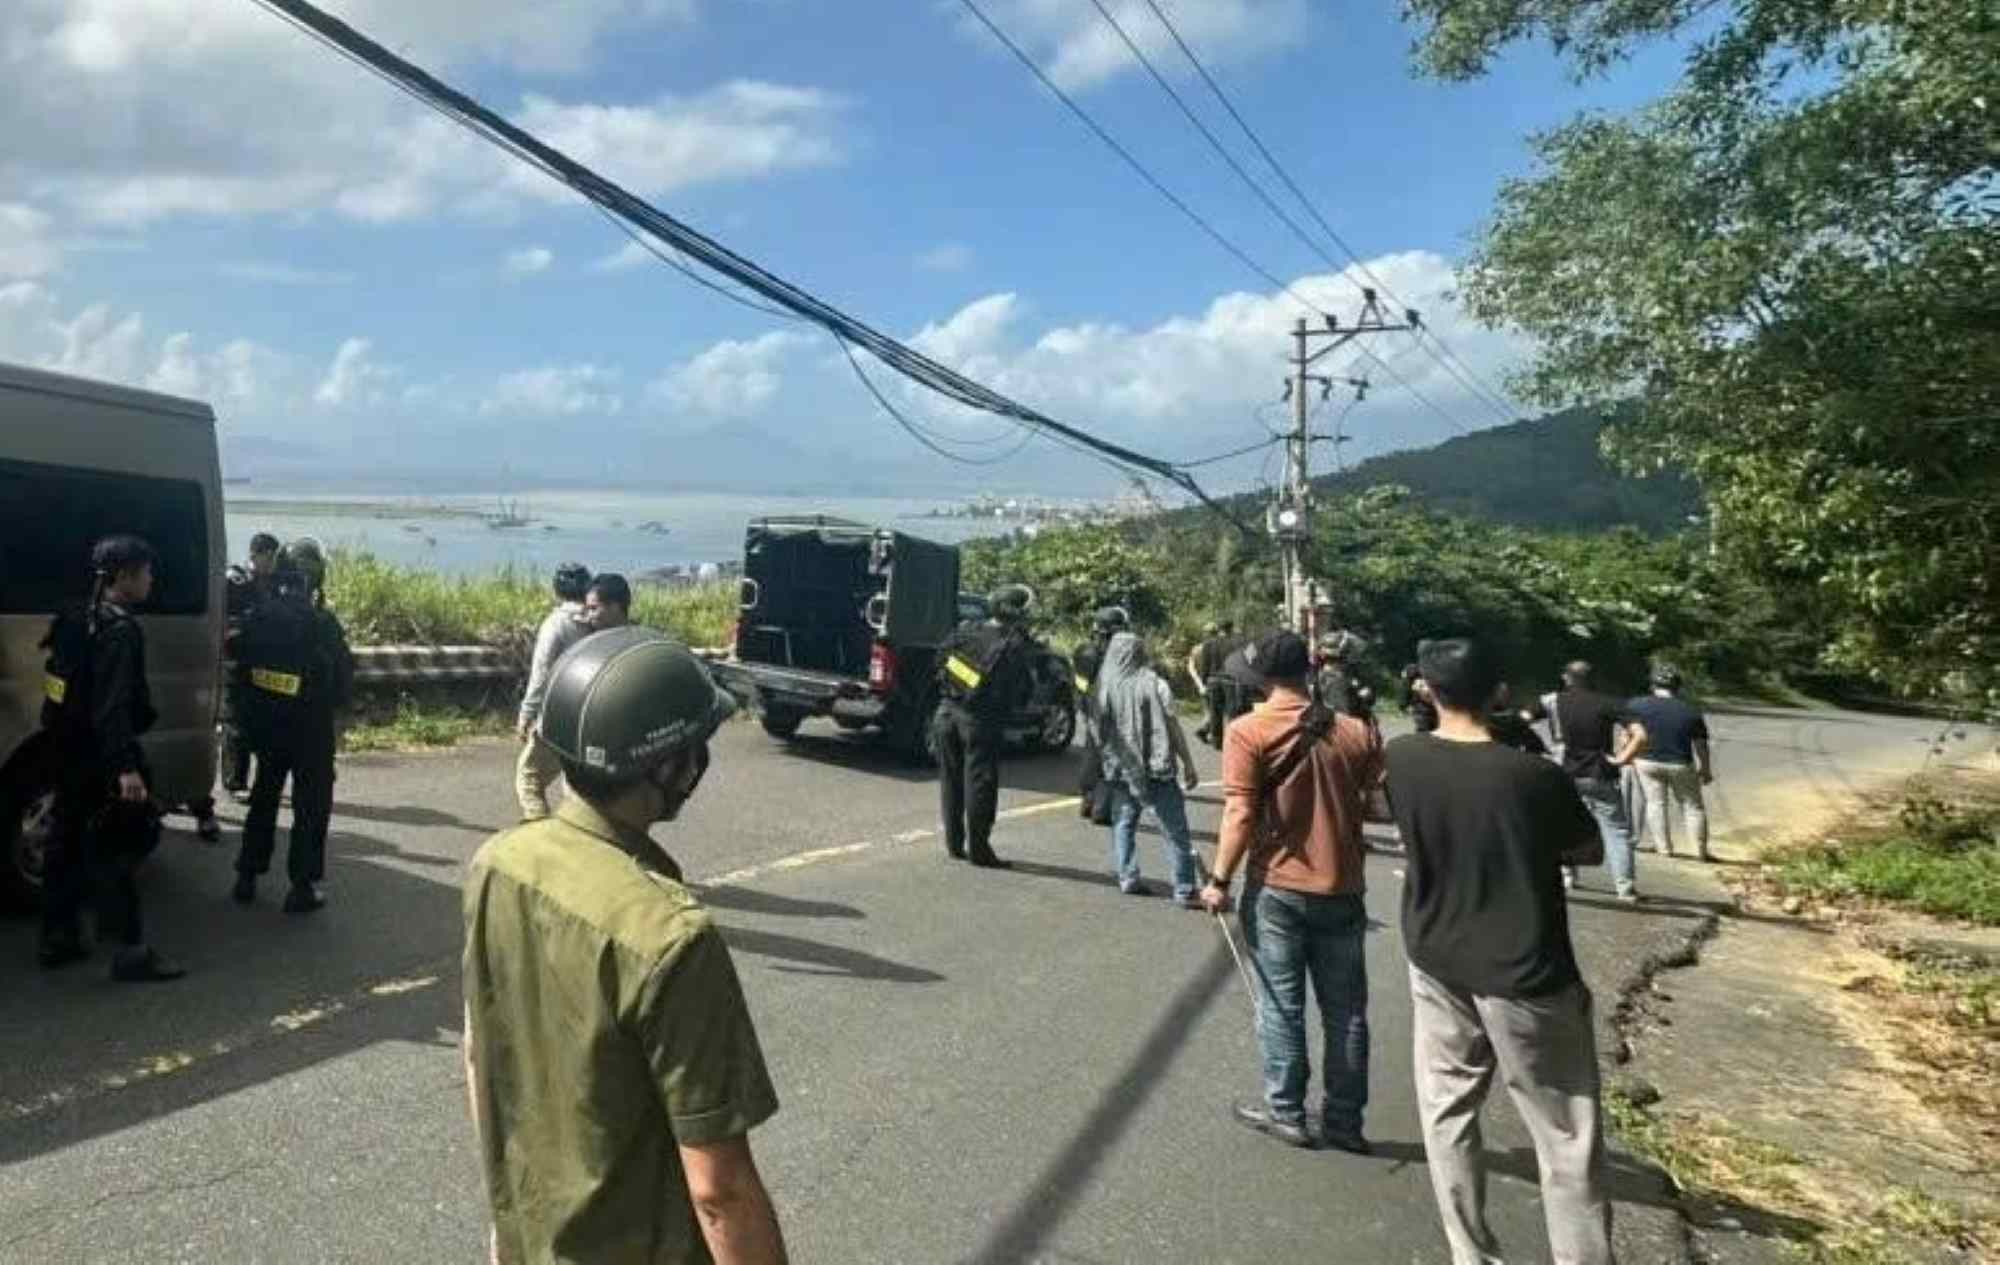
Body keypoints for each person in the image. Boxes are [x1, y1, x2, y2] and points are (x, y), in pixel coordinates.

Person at [462, 627, 788, 1264]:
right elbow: (720, 1191)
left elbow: (481, 1058)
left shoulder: (497, 863)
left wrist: (508, 1226)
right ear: (668, 764)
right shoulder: (672, 937)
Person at [1384, 638, 1613, 1265]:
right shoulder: (1533, 775)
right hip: (1525, 968)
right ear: (1501, 694)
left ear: (1427, 692)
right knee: (1566, 1133)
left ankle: (1470, 1252)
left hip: (1436, 957)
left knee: (1447, 1109)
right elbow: (1587, 849)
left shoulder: (1402, 759)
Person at [1201, 630, 1382, 1153]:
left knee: (1281, 1004)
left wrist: (1218, 881)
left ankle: (1287, 1111)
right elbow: (1378, 808)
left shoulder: (1247, 731)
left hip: (1278, 885)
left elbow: (1239, 811)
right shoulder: (1356, 731)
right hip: (1344, 887)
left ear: (1260, 677)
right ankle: (1346, 1122)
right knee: (1346, 1010)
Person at [36, 534, 184, 981]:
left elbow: (57, 688)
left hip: (65, 748)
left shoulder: (74, 615)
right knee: (119, 846)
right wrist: (125, 768)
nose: (152, 580)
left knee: (64, 840)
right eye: (146, 572)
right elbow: (113, 706)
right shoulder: (119, 630)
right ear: (124, 576)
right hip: (103, 754)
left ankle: (57, 937)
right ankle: (130, 953)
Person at [232, 538, 353, 914]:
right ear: (315, 579)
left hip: (268, 728)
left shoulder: (260, 615)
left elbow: (243, 671)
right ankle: (301, 886)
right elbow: (342, 684)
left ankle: (246, 876)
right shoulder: (322, 624)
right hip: (310, 732)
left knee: (264, 799)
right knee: (311, 807)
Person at [1096, 631, 1203, 904]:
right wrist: (1188, 763)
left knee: (1123, 822)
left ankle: (1127, 876)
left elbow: (1098, 729)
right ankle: (1184, 888)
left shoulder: (1103, 685)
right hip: (1156, 767)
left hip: (1120, 768)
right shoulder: (1156, 684)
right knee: (1173, 828)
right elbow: (1173, 727)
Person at [933, 584, 1034, 868]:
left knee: (951, 782)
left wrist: (966, 682)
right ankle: (980, 851)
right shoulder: (1012, 646)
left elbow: (940, 660)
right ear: (1015, 613)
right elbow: (1023, 691)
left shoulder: (966, 630)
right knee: (980, 786)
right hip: (979, 722)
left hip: (946, 713)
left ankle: (954, 844)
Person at [1553, 660, 1647, 900]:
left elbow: (1521, 718)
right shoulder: (1609, 703)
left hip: (1565, 775)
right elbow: (1641, 735)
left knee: (1566, 827)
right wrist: (1622, 758)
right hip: (1599, 774)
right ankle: (1625, 888)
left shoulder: (1554, 700)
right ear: (1593, 678)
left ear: (1566, 677)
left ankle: (1568, 878)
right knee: (1616, 831)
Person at [514, 562, 593, 822]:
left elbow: (541, 673)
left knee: (530, 778)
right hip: (593, 713)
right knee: (576, 783)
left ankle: (540, 830)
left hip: (559, 712)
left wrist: (526, 713)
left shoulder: (557, 623)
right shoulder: (599, 622)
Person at [219, 532, 281, 805]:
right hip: (237, 662)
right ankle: (235, 781)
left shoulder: (278, 584)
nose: (272, 564)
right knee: (236, 724)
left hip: (264, 664)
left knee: (262, 723)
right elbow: (226, 621)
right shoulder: (237, 581)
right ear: (257, 555)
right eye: (268, 556)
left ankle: (263, 781)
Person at [1628, 664, 1714, 861]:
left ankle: (1664, 849)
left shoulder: (1637, 705)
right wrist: (1705, 768)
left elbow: (1628, 733)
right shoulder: (1690, 711)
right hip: (1680, 763)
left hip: (1646, 761)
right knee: (1692, 806)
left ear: (1652, 685)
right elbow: (1700, 744)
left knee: (1655, 803)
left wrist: (1625, 755)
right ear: (1678, 687)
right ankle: (1700, 851)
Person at [1073, 606, 1129, 824]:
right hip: (1114, 715)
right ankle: (1102, 810)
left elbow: (1080, 686)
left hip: (1090, 711)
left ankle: (1088, 800)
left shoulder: (1083, 652)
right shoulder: (1122, 656)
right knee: (1111, 761)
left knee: (1091, 754)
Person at [1187, 619, 1235, 744]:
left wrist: (1203, 682)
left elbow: (1203, 666)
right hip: (1228, 679)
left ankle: (1216, 739)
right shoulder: (1234, 642)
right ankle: (1229, 739)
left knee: (1214, 712)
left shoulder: (1206, 645)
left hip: (1212, 681)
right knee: (1229, 710)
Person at [1401, 664, 1439, 734]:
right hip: (1433, 710)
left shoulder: (1415, 682)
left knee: (1423, 733)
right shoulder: (1429, 678)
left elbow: (1405, 692)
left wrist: (1404, 705)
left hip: (1421, 710)